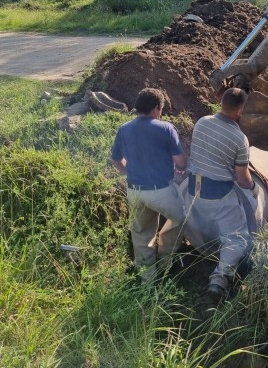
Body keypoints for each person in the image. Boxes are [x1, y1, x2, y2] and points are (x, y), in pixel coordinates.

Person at [185, 87, 258, 302]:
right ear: (240, 110)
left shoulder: (202, 122)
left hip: (192, 190)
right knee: (238, 240)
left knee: (203, 216)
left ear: (221, 103)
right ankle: (219, 281)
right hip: (218, 196)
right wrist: (254, 188)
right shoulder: (239, 138)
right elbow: (242, 178)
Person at [109, 87, 187, 282]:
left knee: (142, 233)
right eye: (160, 110)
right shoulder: (166, 128)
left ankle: (147, 279)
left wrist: (130, 172)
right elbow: (181, 162)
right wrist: (178, 168)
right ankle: (165, 259)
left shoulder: (124, 129)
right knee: (180, 218)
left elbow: (116, 161)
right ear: (155, 108)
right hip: (160, 191)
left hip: (134, 191)